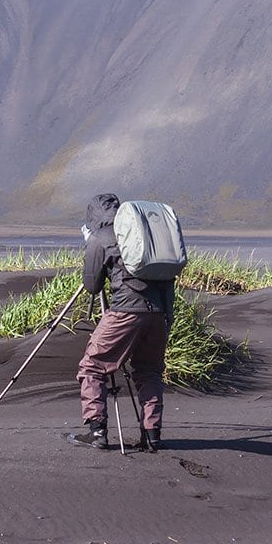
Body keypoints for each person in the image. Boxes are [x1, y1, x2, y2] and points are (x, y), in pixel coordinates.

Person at [70, 193, 175, 452]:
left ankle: (97, 432)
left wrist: (91, 246)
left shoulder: (101, 237)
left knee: (92, 367)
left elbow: (92, 286)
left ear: (92, 216)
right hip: (158, 313)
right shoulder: (142, 234)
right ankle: (152, 435)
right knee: (149, 371)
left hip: (125, 312)